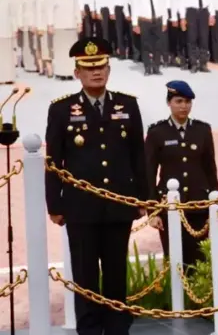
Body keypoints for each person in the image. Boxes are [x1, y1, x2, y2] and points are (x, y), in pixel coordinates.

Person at [44, 37, 147, 335]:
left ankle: (117, 327)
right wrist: (55, 205)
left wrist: (143, 198)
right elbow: (53, 162)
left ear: (109, 70)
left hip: (118, 204)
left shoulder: (127, 105)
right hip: (80, 207)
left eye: (101, 66)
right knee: (85, 273)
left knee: (116, 271)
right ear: (77, 72)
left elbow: (138, 156)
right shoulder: (62, 110)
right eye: (89, 68)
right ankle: (89, 329)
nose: (96, 72)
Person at [145, 80, 218, 267]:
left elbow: (210, 168)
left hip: (198, 204)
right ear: (169, 103)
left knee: (199, 260)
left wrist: (215, 201)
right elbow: (149, 172)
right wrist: (152, 211)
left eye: (187, 102)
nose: (183, 106)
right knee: (175, 261)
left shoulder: (202, 130)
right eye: (178, 101)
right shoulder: (157, 132)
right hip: (169, 206)